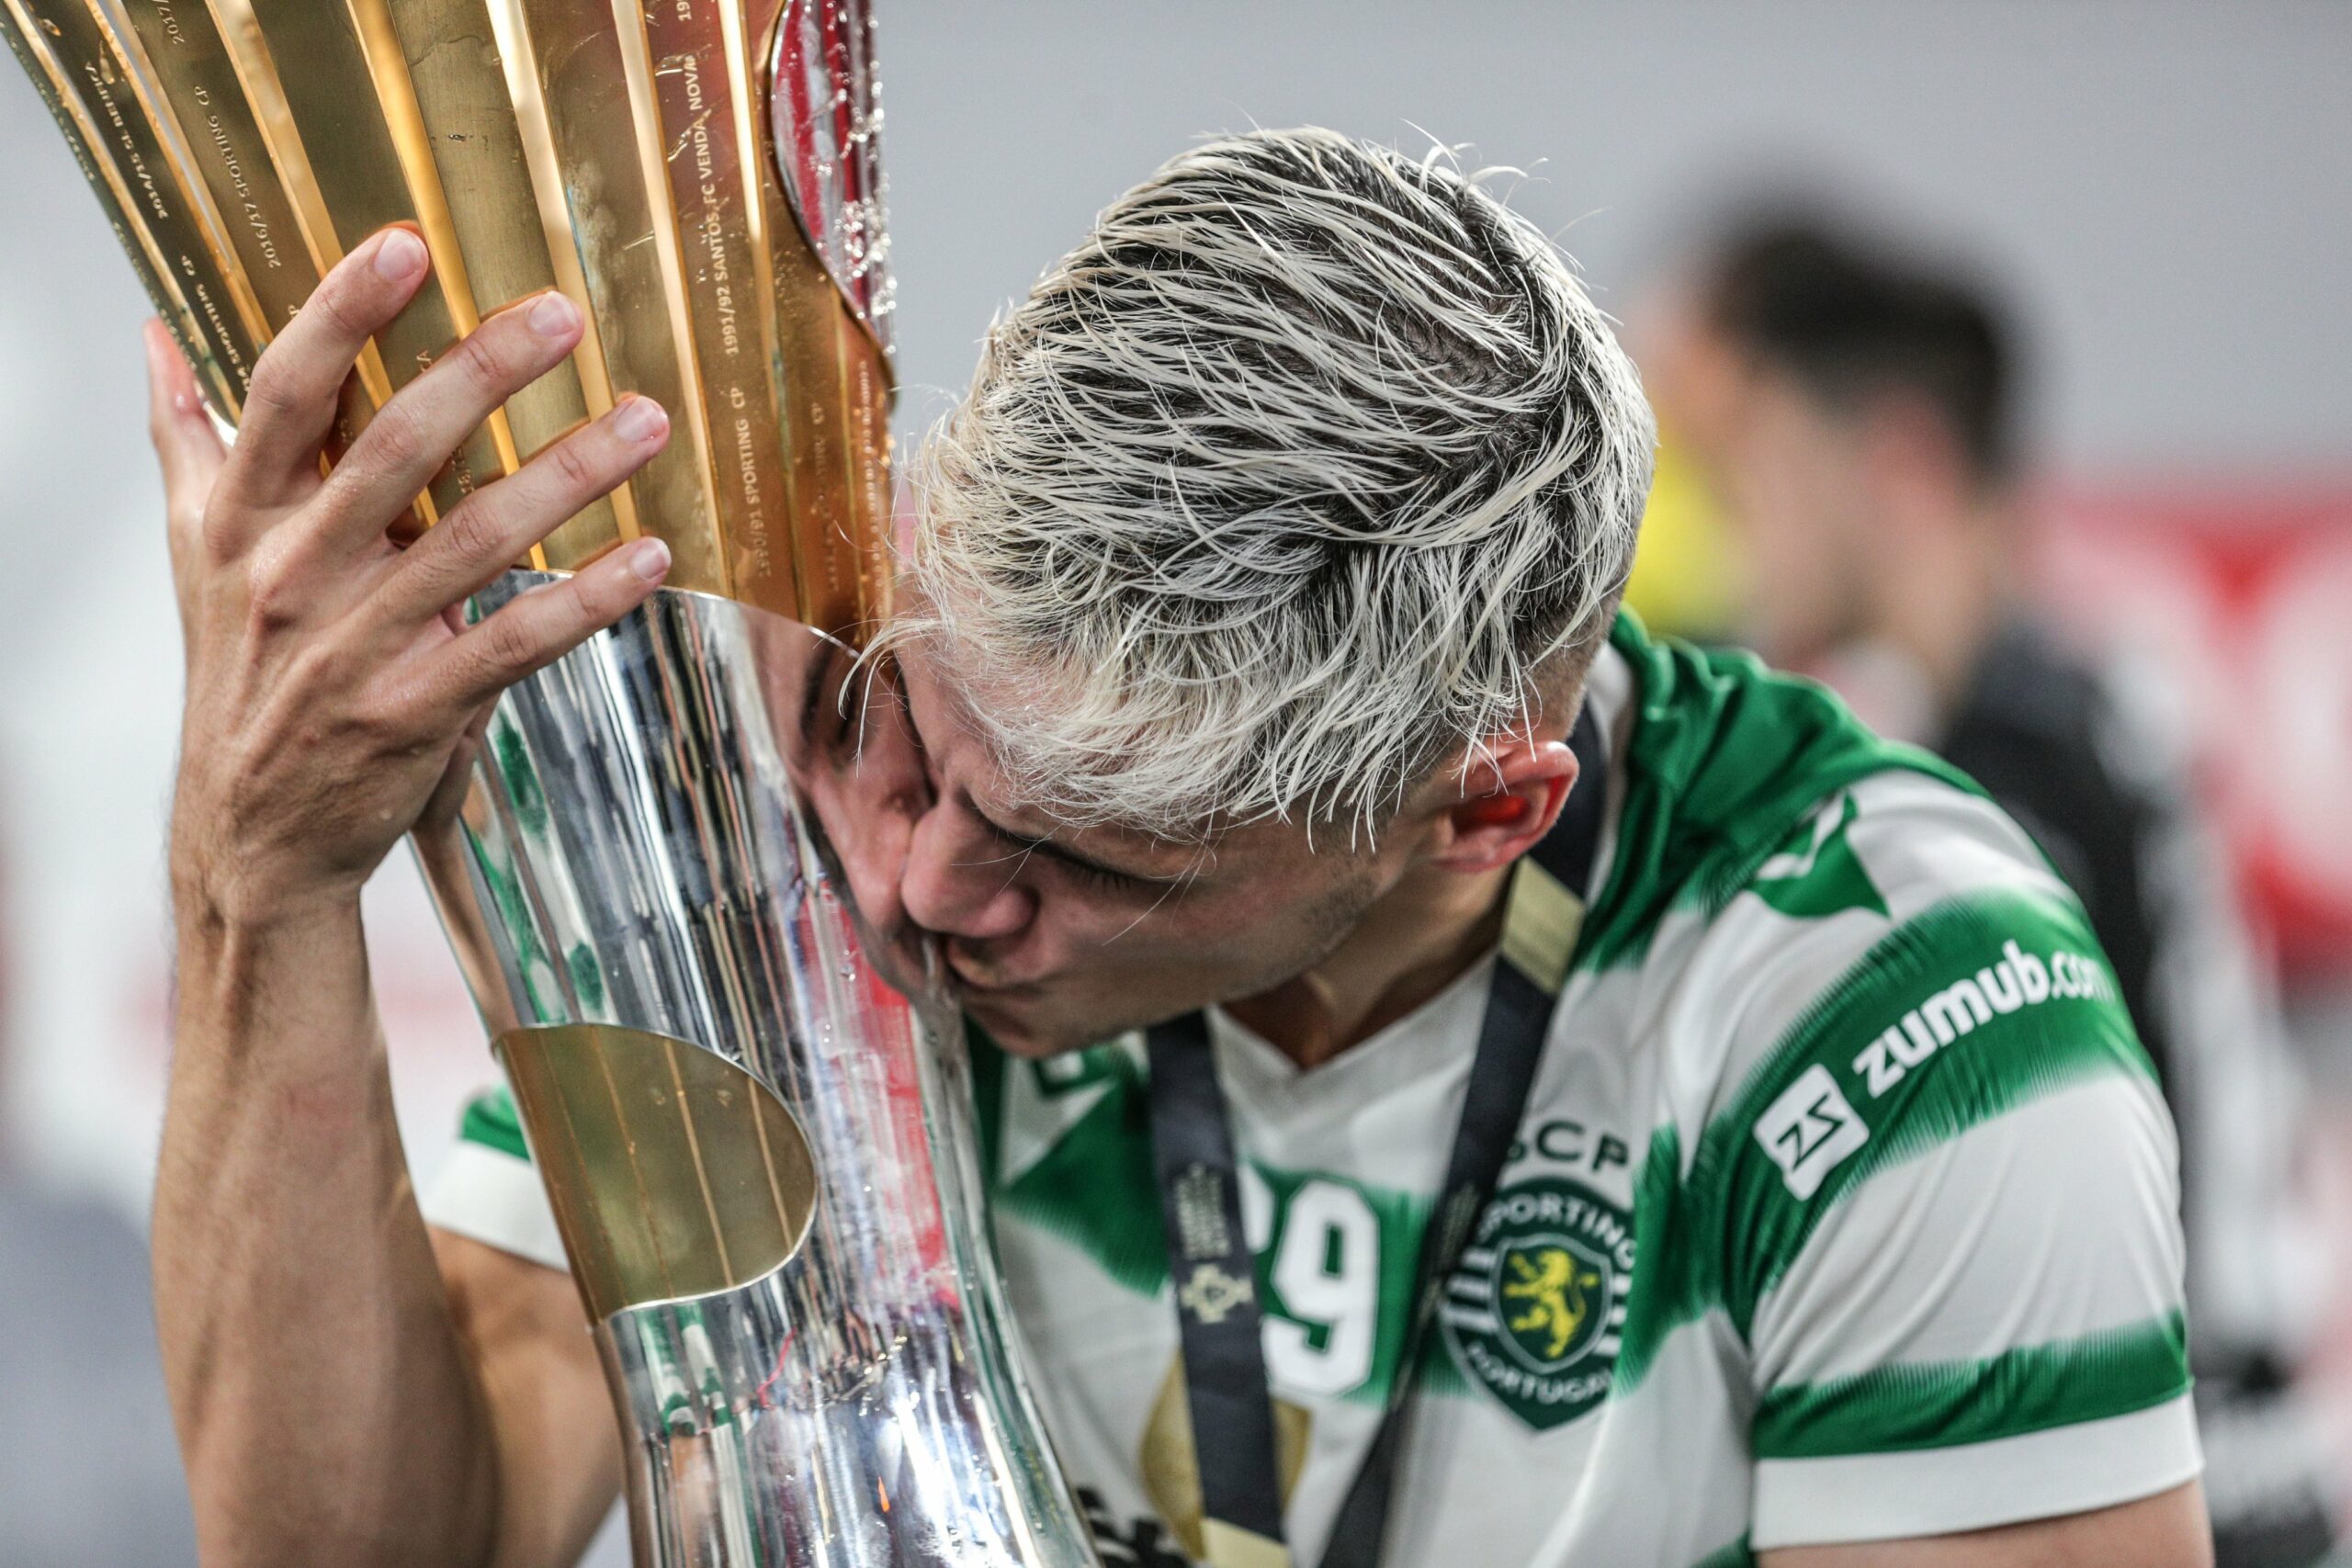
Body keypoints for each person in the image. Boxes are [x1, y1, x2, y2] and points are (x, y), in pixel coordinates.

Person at [148, 130, 2212, 1567]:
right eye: (912, 729)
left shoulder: (1903, 1011)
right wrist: (263, 874)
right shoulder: (801, 805)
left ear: (1480, 803)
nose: (924, 890)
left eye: (1086, 857)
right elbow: (377, 1538)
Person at [1646, 214, 2337, 1568]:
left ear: (1897, 463)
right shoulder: (2079, 703)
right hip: (2226, 1446)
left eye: (1768, 474)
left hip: (2151, 1459)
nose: (1744, 535)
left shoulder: (2002, 781)